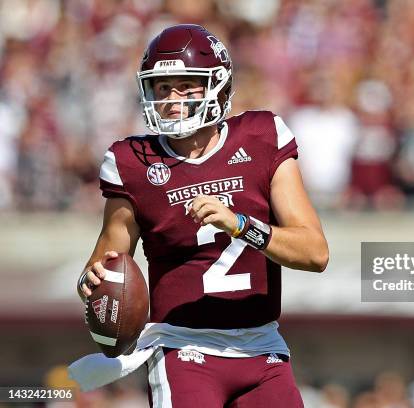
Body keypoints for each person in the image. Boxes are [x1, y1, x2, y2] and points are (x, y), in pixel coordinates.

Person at [73, 24, 328, 407]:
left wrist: (241, 225)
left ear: (218, 86)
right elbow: (106, 262)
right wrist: (90, 283)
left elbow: (314, 253)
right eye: (162, 88)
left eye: (185, 86)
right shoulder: (134, 163)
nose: (172, 99)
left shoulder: (262, 137)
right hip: (182, 347)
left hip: (262, 346)